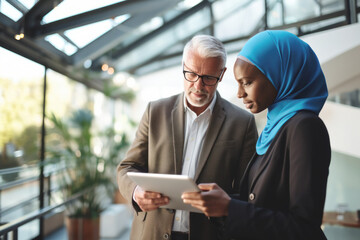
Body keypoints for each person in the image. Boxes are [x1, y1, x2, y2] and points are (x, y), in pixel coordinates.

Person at [182, 30, 331, 239]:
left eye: (248, 82)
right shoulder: (276, 127)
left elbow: (304, 227)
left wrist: (230, 208)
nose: (240, 94)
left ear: (280, 74)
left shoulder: (305, 127)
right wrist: (222, 200)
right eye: (239, 83)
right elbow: (261, 201)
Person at [117, 35, 258, 240]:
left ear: (222, 73)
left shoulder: (242, 123)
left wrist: (224, 205)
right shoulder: (155, 111)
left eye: (209, 78)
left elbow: (248, 192)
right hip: (151, 233)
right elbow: (126, 167)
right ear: (183, 66)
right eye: (191, 74)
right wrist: (135, 191)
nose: (198, 86)